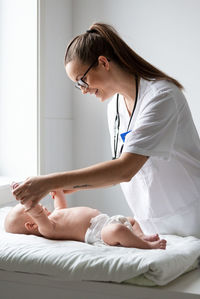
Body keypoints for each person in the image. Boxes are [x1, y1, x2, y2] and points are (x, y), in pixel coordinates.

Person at [12, 23, 200, 238]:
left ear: (103, 62)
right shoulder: (115, 107)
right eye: (78, 85)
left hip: (191, 219)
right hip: (153, 225)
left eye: (82, 80)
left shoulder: (161, 96)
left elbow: (125, 169)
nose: (83, 90)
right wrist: (71, 186)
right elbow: (119, 174)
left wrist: (49, 181)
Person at [5, 188, 167, 249]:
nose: (40, 206)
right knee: (118, 230)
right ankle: (146, 245)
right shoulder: (48, 229)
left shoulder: (55, 215)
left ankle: (139, 235)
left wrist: (57, 191)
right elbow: (39, 215)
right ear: (32, 225)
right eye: (34, 208)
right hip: (98, 233)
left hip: (106, 220)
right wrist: (27, 202)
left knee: (132, 220)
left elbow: (61, 205)